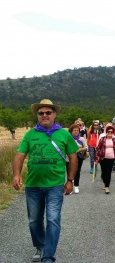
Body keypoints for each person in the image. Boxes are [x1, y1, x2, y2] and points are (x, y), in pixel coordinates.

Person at [12, 99, 78, 263]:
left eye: (48, 112)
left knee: (52, 219)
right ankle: (40, 246)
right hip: (33, 185)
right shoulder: (30, 134)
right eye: (41, 113)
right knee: (34, 220)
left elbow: (73, 157)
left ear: (54, 114)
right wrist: (16, 174)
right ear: (37, 115)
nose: (44, 115)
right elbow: (20, 155)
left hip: (55, 186)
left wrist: (70, 180)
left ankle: (48, 256)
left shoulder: (64, 134)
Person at [95, 126, 115, 194]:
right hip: (103, 158)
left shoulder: (114, 140)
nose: (110, 133)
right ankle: (105, 182)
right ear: (106, 132)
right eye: (109, 132)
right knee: (104, 172)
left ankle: (107, 187)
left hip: (111, 158)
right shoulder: (102, 139)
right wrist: (97, 159)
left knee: (109, 172)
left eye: (111, 132)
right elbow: (98, 149)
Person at [69, 123, 88, 194]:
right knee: (69, 171)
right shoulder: (68, 138)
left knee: (77, 171)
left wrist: (80, 150)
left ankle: (76, 186)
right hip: (69, 157)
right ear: (71, 131)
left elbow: (86, 147)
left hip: (79, 157)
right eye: (74, 130)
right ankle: (70, 187)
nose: (76, 131)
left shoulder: (81, 139)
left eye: (77, 130)